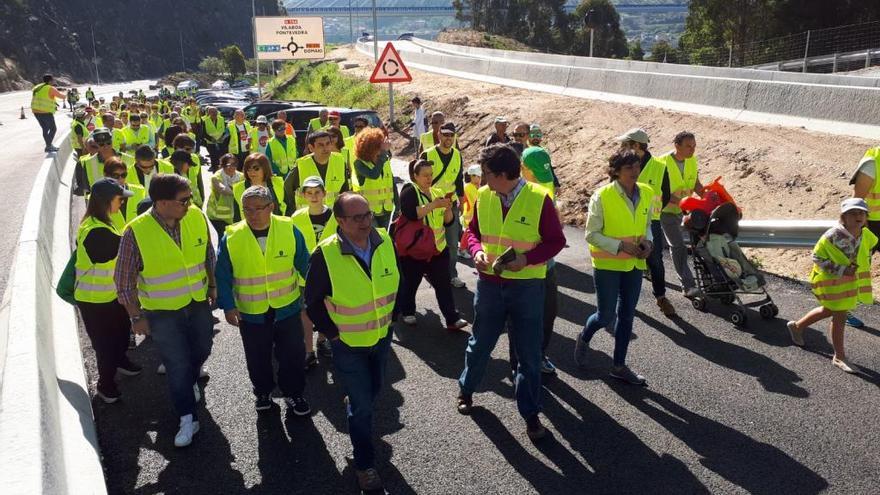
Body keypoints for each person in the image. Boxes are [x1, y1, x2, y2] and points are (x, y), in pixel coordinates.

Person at [457, 143, 565, 441]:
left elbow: (556, 241)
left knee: (528, 354)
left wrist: (526, 260)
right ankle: (466, 390)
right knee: (480, 343)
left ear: (504, 173)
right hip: (490, 284)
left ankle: (531, 415)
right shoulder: (483, 195)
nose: (482, 179)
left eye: (487, 174)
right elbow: (472, 232)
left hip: (527, 287)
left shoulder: (539, 198)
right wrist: (476, 251)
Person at [304, 192, 400, 492]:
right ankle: (365, 465)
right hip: (348, 344)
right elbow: (313, 302)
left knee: (374, 389)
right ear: (340, 221)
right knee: (362, 408)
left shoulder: (383, 239)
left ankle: (356, 400)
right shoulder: (325, 254)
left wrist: (393, 316)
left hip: (382, 337)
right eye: (357, 217)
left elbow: (396, 279)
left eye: (367, 214)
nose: (365, 221)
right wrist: (332, 335)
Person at [114, 174, 217, 448]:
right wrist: (136, 316)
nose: (189, 204)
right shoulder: (135, 231)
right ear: (161, 202)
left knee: (203, 349)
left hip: (197, 303)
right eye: (183, 200)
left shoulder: (195, 216)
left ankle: (191, 378)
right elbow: (123, 281)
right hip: (161, 311)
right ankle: (187, 417)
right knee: (176, 364)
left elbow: (208, 253)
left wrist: (214, 285)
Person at [216, 186, 312, 413]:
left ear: (271, 207)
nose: (252, 214)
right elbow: (222, 273)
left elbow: (305, 264)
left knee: (293, 355)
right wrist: (228, 306)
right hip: (252, 312)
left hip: (287, 308)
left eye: (258, 208)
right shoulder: (232, 236)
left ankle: (294, 393)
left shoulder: (289, 229)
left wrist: (313, 296)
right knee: (257, 357)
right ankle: (262, 392)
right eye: (246, 209)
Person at [574, 150, 653, 386]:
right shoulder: (602, 196)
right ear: (616, 171)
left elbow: (648, 224)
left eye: (637, 166)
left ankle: (618, 366)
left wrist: (648, 242)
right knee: (605, 315)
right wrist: (620, 246)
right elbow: (591, 234)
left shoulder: (646, 193)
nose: (634, 172)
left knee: (627, 315)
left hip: (635, 264)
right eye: (628, 168)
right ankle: (584, 337)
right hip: (608, 265)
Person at [786, 198, 876, 374]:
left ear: (866, 217)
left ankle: (797, 327)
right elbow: (817, 258)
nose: (858, 216)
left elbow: (867, 252)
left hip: (848, 284)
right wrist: (842, 270)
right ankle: (839, 357)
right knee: (839, 314)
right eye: (852, 213)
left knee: (829, 310)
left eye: (861, 213)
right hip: (833, 283)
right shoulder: (832, 235)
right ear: (843, 217)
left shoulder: (865, 234)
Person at [76, 178, 142, 403]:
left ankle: (120, 361)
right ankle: (105, 385)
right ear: (106, 201)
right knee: (106, 345)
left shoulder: (105, 222)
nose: (122, 203)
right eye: (119, 199)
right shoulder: (95, 231)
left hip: (111, 296)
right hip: (95, 300)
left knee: (122, 335)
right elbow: (114, 250)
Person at [398, 159, 469, 330]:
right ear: (415, 176)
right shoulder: (409, 191)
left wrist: (447, 209)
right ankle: (407, 311)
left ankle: (452, 319)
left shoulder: (438, 191)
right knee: (411, 283)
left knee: (443, 285)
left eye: (430, 175)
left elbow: (448, 223)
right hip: (415, 251)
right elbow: (412, 213)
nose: (429, 178)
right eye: (424, 175)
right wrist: (434, 205)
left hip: (437, 250)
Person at [618, 128, 677, 317]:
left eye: (625, 144)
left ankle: (660, 297)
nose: (620, 147)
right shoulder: (621, 164)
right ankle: (624, 298)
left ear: (636, 146)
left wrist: (651, 211)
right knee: (624, 259)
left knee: (656, 261)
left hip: (651, 221)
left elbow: (665, 195)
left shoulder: (659, 166)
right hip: (625, 220)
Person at [291, 176, 338, 368]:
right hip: (304, 273)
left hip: (329, 272)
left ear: (324, 193)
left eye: (317, 192)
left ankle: (322, 340)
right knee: (305, 312)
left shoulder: (335, 216)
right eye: (309, 193)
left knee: (327, 308)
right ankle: (309, 351)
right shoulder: (296, 217)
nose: (313, 196)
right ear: (303, 195)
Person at [420, 122, 466, 288]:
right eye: (445, 134)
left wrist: (462, 200)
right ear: (438, 135)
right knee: (432, 241)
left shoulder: (457, 155)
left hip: (450, 204)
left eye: (451, 135)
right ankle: (432, 271)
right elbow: (418, 180)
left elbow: (459, 179)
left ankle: (452, 274)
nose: (448, 138)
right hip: (432, 205)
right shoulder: (427, 154)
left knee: (453, 242)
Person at [660, 131, 702, 298]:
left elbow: (696, 184)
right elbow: (660, 190)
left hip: (686, 211)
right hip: (666, 211)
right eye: (688, 146)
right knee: (678, 246)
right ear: (676, 145)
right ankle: (688, 285)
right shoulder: (662, 163)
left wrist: (708, 197)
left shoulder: (692, 161)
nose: (692, 150)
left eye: (694, 146)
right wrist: (680, 202)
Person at [846, 144, 880, 329]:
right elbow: (857, 199)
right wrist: (858, 227)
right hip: (869, 225)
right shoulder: (872, 162)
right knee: (855, 268)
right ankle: (843, 309)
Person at [285, 130, 350, 214]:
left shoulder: (340, 161)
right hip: (307, 216)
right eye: (321, 145)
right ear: (311, 148)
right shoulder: (301, 165)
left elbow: (344, 190)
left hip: (332, 216)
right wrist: (292, 210)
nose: (325, 148)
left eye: (328, 144)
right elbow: (287, 188)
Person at [353, 128, 397, 228]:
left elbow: (392, 183)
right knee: (374, 239)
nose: (382, 150)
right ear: (370, 147)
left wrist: (398, 207)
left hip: (386, 210)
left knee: (383, 239)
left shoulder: (384, 161)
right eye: (379, 146)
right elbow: (374, 174)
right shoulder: (359, 163)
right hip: (368, 212)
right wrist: (382, 156)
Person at [232, 153, 284, 223]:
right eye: (248, 169)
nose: (252, 172)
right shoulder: (238, 188)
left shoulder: (278, 183)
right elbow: (236, 217)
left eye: (256, 168)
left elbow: (288, 208)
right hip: (249, 230)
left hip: (277, 227)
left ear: (265, 168)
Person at [103, 158, 146, 231]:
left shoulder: (140, 191)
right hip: (111, 240)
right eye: (115, 176)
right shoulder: (97, 196)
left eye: (123, 175)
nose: (120, 179)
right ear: (105, 175)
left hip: (135, 239)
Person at [206, 154, 244, 236]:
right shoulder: (216, 177)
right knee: (223, 238)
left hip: (233, 216)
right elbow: (222, 189)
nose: (231, 167)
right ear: (222, 165)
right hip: (217, 216)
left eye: (234, 164)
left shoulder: (241, 176)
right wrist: (238, 191)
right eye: (227, 165)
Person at [31, 74, 65, 152]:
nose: (54, 81)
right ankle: (48, 146)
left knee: (45, 129)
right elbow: (61, 96)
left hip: (36, 111)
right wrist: (65, 94)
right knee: (53, 129)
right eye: (53, 80)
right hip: (45, 112)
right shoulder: (50, 88)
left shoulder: (38, 87)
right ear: (50, 81)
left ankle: (49, 145)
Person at [202, 106, 227, 171]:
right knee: (213, 157)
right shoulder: (205, 121)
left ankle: (222, 169)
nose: (214, 113)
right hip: (211, 142)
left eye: (215, 112)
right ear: (209, 113)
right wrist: (211, 139)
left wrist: (222, 137)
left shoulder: (222, 119)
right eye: (212, 112)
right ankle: (214, 169)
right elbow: (203, 133)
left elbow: (225, 130)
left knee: (222, 156)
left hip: (220, 141)